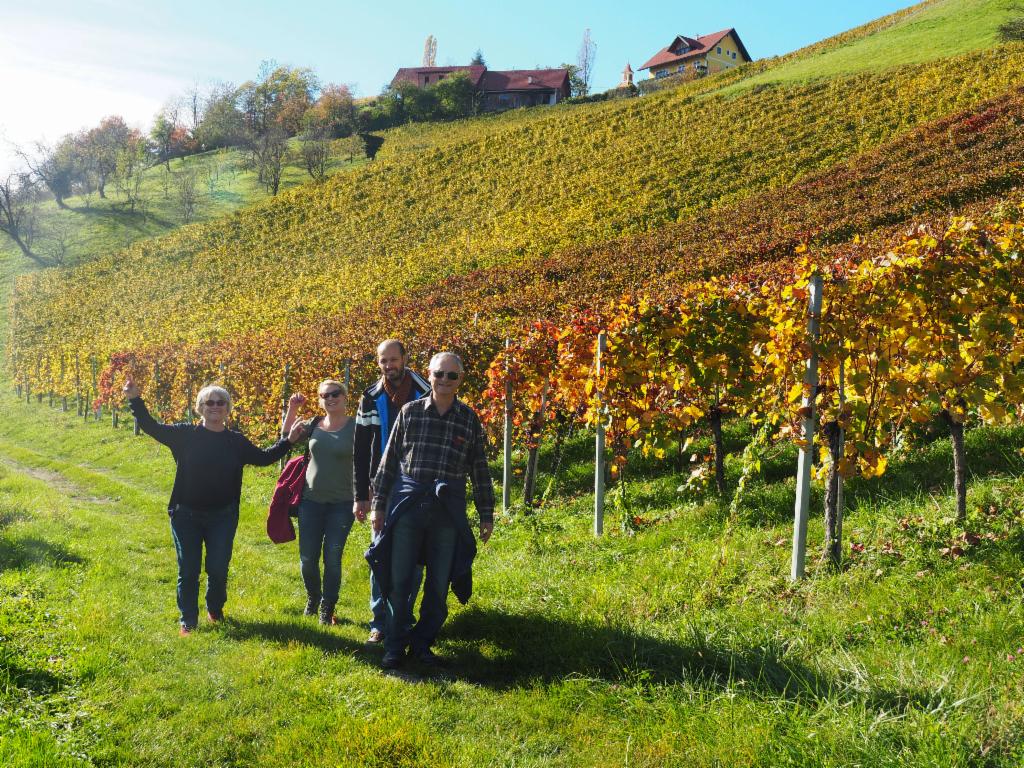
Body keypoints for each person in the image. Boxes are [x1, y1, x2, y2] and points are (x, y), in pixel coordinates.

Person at [123, 378, 304, 635]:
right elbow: (151, 426)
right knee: (189, 569)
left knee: (218, 568)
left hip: (223, 515)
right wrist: (134, 398)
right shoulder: (185, 435)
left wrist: (289, 441)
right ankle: (188, 619)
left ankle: (215, 608)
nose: (215, 406)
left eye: (221, 403)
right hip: (186, 514)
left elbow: (265, 458)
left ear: (228, 408)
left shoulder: (235, 442)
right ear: (200, 407)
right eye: (209, 402)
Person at [367, 352, 495, 670]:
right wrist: (378, 506)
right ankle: (394, 647)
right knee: (400, 582)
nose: (444, 381)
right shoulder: (410, 413)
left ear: (460, 379)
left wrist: (486, 513)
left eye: (452, 376)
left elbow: (479, 468)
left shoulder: (468, 418)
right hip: (409, 506)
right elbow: (389, 461)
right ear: (430, 374)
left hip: (447, 512)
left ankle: (423, 644)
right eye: (439, 374)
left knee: (438, 585)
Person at [354, 339, 430, 644]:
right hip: (381, 488)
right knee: (380, 554)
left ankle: (405, 618)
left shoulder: (426, 392)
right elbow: (359, 451)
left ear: (405, 359)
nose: (389, 366)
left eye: (393, 360)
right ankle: (380, 622)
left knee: (415, 559)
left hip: (418, 488)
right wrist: (361, 495)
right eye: (383, 361)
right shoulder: (370, 399)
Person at [281, 380, 360, 626]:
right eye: (324, 395)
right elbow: (286, 437)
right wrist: (293, 410)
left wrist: (365, 497)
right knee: (307, 559)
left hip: (343, 503)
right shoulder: (313, 424)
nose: (330, 398)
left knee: (333, 558)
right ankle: (313, 598)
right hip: (310, 501)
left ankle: (328, 606)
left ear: (346, 397)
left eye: (335, 393)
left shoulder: (357, 427)